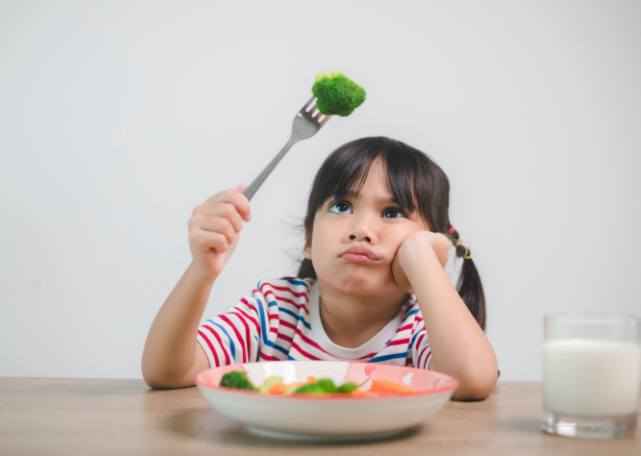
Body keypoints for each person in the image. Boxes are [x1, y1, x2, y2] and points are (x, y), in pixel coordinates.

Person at [142, 136, 498, 400]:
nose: (361, 229)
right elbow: (167, 372)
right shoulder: (274, 311)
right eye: (342, 206)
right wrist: (201, 272)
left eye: (392, 213)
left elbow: (472, 380)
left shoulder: (421, 327)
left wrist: (423, 261)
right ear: (309, 238)